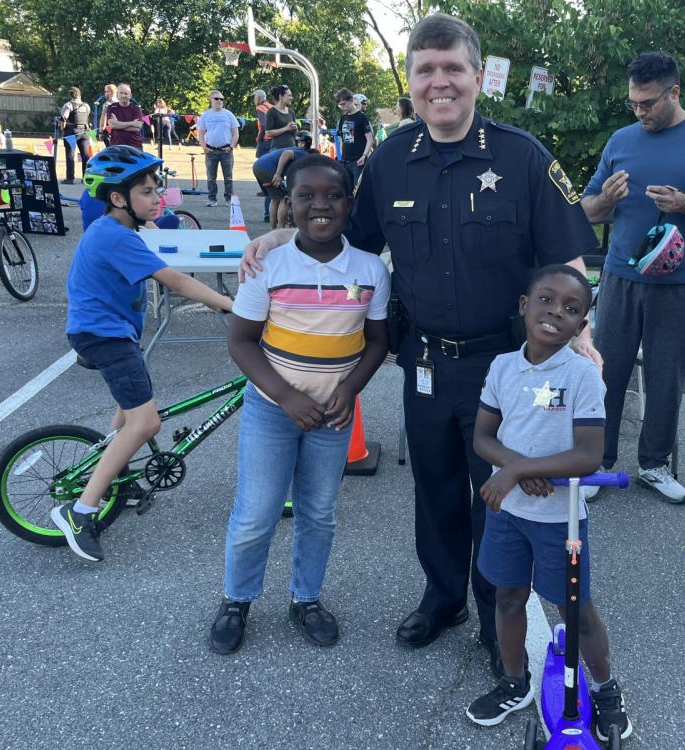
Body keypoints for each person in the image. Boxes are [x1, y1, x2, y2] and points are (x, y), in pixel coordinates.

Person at [239, 13, 601, 676]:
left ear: (476, 77)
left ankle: (497, 618)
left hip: (507, 366)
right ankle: (443, 600)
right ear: (410, 80)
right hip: (427, 362)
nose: (440, 83)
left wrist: (582, 338)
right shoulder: (388, 162)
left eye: (452, 69)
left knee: (498, 495)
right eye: (426, 70)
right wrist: (277, 238)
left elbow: (566, 260)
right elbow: (343, 239)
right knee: (435, 489)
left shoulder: (521, 157)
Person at [208, 153, 390, 654]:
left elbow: (377, 342)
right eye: (305, 196)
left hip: (332, 415)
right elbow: (241, 341)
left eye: (333, 195)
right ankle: (237, 600)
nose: (320, 205)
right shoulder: (268, 264)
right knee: (256, 513)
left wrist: (349, 390)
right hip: (272, 409)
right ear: (288, 204)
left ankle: (306, 598)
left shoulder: (370, 269)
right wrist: (286, 396)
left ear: (349, 204)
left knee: (319, 513)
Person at [464, 265, 632, 740]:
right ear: (524, 305)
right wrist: (518, 467)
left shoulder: (581, 375)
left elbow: (589, 454)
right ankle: (514, 681)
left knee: (575, 610)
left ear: (581, 325)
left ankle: (605, 688)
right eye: (546, 299)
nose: (556, 311)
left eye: (571, 308)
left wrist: (518, 471)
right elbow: (482, 437)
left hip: (561, 518)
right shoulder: (502, 367)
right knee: (508, 596)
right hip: (510, 511)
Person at [580, 52, 685, 503]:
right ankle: (597, 463)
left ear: (674, 92)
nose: (639, 112)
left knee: (667, 378)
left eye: (648, 103)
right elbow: (586, 209)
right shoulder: (621, 140)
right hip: (620, 277)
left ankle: (653, 465)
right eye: (633, 103)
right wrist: (606, 200)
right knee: (605, 371)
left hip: (679, 283)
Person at [52, 146, 234, 562]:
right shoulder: (115, 236)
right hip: (105, 336)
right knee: (146, 422)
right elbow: (176, 281)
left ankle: (111, 474)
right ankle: (80, 511)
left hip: (107, 333)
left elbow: (158, 246)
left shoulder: (114, 228)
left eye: (157, 190)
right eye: (148, 192)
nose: (157, 198)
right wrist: (231, 305)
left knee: (128, 413)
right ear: (118, 198)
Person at [250, 129, 314, 229]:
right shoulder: (303, 153)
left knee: (275, 198)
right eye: (299, 142)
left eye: (302, 142)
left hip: (258, 165)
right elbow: (286, 153)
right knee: (284, 199)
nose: (300, 144)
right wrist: (278, 174)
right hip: (268, 168)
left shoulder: (295, 149)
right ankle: (281, 229)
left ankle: (273, 229)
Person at [197, 90, 239, 208]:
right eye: (216, 98)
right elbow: (201, 133)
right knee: (211, 178)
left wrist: (231, 146)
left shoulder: (228, 114)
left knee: (228, 178)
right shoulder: (206, 115)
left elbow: (235, 132)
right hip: (211, 151)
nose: (219, 101)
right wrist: (203, 146)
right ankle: (212, 199)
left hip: (226, 151)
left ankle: (229, 199)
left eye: (221, 99)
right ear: (211, 100)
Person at [334, 88, 374, 188]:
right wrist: (339, 157)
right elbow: (342, 139)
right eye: (340, 105)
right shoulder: (343, 118)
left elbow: (370, 139)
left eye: (344, 104)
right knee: (346, 190)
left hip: (358, 162)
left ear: (351, 100)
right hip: (345, 161)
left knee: (358, 191)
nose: (342, 107)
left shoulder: (362, 117)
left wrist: (364, 156)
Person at [59, 87, 93, 185]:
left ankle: (70, 178)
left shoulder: (68, 105)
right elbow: (87, 117)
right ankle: (85, 178)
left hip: (71, 132)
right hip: (85, 133)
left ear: (70, 95)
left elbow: (63, 118)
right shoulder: (86, 105)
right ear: (80, 94)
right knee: (86, 156)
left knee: (70, 155)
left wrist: (62, 129)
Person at [105, 84, 144, 150]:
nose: (123, 95)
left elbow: (137, 128)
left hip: (135, 147)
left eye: (126, 93)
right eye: (121, 93)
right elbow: (112, 125)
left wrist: (117, 124)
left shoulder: (137, 109)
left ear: (130, 96)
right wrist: (132, 123)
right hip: (116, 147)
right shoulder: (111, 108)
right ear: (117, 95)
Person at [264, 85, 298, 151]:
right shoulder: (271, 112)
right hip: (277, 149)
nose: (291, 98)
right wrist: (286, 128)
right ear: (281, 96)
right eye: (289, 95)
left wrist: (295, 129)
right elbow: (268, 132)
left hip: (292, 148)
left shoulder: (291, 112)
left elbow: (295, 134)